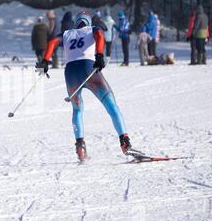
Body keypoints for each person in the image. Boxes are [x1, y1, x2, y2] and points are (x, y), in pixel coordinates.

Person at [36, 10, 137, 163]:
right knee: (111, 105)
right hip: (88, 68)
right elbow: (100, 36)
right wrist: (100, 55)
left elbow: (52, 43)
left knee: (77, 110)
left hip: (70, 72)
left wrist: (45, 61)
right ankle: (125, 142)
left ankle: (80, 146)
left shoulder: (67, 33)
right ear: (88, 22)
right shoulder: (92, 29)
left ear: (76, 23)